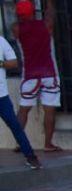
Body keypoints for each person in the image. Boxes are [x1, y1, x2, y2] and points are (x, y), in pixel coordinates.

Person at [11, 0, 60, 153]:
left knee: (23, 110)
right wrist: (50, 3)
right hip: (49, 73)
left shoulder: (16, 28)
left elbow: (18, 20)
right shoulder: (46, 25)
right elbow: (51, 12)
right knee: (49, 111)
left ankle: (21, 143)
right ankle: (48, 144)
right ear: (33, 11)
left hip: (29, 75)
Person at [1, 34, 40, 169]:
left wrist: (0, 63)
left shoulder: (0, 41)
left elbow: (14, 62)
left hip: (1, 96)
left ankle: (30, 156)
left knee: (15, 125)